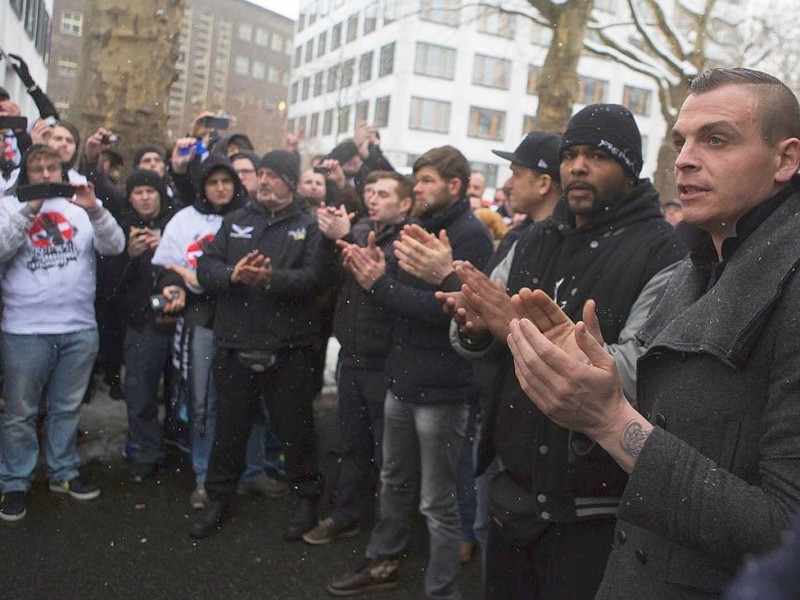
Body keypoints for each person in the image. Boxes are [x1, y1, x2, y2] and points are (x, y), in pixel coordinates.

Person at [506, 68, 800, 598]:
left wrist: (610, 418)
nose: (684, 158)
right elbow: (685, 414)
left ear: (785, 159)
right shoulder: (699, 262)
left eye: (716, 139)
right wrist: (599, 376)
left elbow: (785, 533)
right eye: (681, 141)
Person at [432, 106, 685, 599]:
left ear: (630, 168)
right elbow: (481, 335)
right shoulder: (531, 240)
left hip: (593, 510)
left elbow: (638, 373)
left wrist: (516, 331)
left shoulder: (663, 253)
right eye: (570, 155)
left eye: (597, 155)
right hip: (513, 493)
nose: (577, 167)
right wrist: (477, 327)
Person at [328, 146, 493, 598]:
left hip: (442, 390)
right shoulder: (417, 229)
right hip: (401, 379)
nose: (415, 188)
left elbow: (451, 312)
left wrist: (380, 286)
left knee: (436, 502)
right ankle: (383, 562)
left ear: (454, 186)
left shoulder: (470, 236)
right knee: (393, 480)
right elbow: (403, 295)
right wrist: (382, 279)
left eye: (425, 181)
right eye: (415, 180)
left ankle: (441, 590)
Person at [191, 150, 325, 542]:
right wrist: (233, 274)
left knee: (295, 430)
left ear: (291, 182)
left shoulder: (309, 225)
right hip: (236, 343)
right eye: (260, 173)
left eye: (272, 174)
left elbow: (315, 279)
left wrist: (271, 279)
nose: (263, 180)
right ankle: (219, 498)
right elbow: (205, 267)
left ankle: (306, 499)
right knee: (229, 430)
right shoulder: (235, 221)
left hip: (289, 347)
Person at [0, 145, 125, 522]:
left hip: (78, 327)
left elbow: (115, 245)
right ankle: (14, 481)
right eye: (36, 169)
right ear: (27, 174)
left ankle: (63, 472)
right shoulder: (9, 204)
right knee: (20, 413)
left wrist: (94, 208)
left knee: (66, 408)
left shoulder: (81, 206)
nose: (44, 174)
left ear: (62, 170)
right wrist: (30, 209)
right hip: (25, 329)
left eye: (50, 167)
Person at [302, 171, 414, 546]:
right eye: (370, 191)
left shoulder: (410, 240)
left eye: (383, 193)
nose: (373, 199)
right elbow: (325, 276)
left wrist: (345, 237)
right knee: (352, 444)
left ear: (406, 204)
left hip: (386, 362)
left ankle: (387, 532)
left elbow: (386, 280)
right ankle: (347, 514)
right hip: (352, 354)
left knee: (388, 454)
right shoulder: (362, 228)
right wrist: (327, 236)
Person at [114, 169, 183, 481]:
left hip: (178, 317)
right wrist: (130, 255)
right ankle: (145, 450)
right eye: (138, 191)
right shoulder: (121, 225)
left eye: (150, 191)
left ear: (160, 194)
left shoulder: (177, 222)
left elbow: (191, 263)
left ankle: (175, 441)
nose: (144, 197)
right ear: (130, 196)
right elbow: (108, 282)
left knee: (178, 391)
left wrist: (163, 248)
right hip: (142, 320)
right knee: (140, 391)